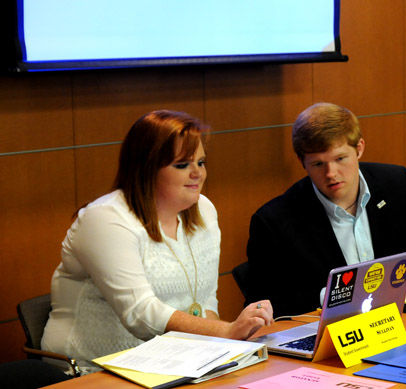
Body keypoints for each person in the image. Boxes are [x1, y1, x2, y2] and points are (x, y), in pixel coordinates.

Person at [42, 110, 273, 369]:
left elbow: (205, 300)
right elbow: (139, 314)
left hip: (173, 362)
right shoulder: (105, 219)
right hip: (90, 368)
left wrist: (224, 347)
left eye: (201, 162)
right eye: (182, 165)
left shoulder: (204, 211)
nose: (197, 173)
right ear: (147, 168)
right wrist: (227, 332)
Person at [245, 103, 406, 317]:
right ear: (302, 162)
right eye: (318, 164)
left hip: (404, 321)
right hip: (328, 332)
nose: (331, 173)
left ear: (359, 149)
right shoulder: (274, 221)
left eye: (340, 159)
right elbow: (264, 303)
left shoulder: (394, 184)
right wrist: (334, 298)